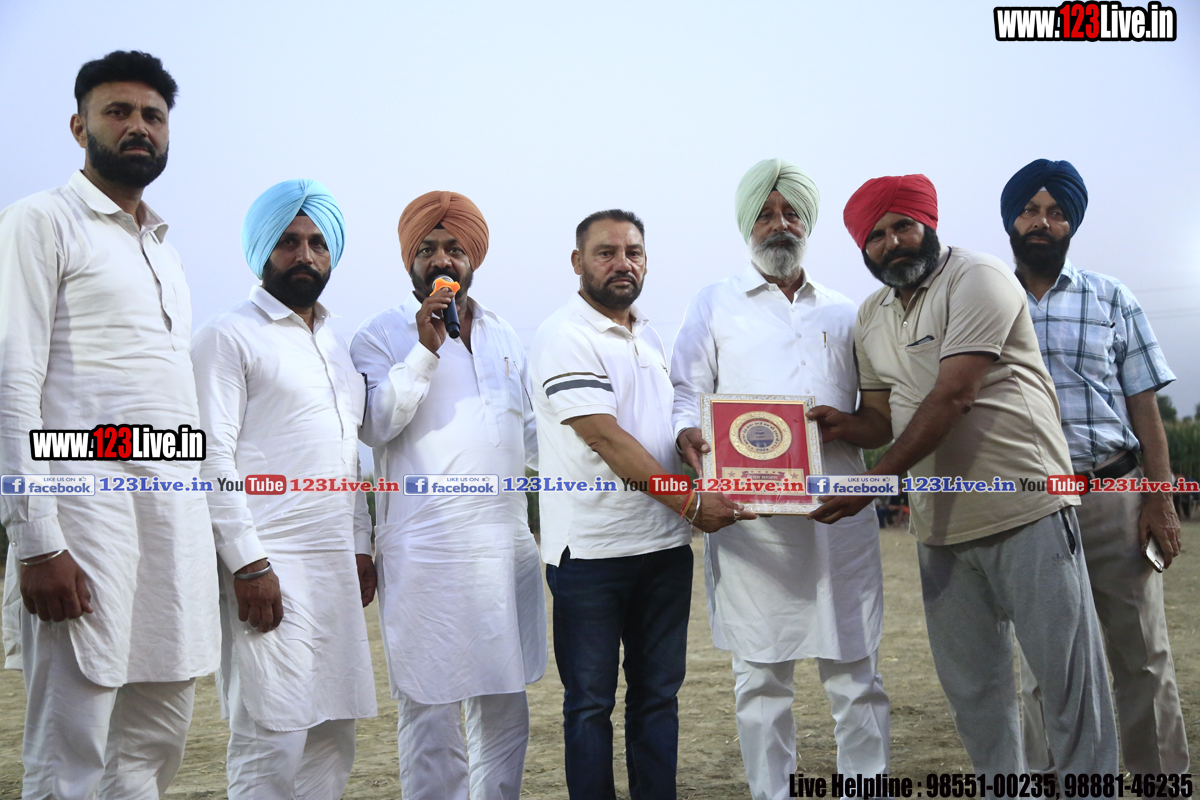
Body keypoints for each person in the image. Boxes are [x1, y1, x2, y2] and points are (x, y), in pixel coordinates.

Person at [807, 173, 1118, 774]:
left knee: (1068, 689)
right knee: (977, 695)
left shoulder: (978, 277)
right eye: (876, 236)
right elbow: (882, 418)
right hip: (940, 528)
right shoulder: (871, 315)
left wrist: (876, 482)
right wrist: (841, 426)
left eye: (903, 226)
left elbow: (955, 395)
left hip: (1026, 507)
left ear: (928, 223)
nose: (892, 243)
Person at [0, 50, 220, 798]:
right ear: (79, 126)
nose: (138, 127)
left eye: (153, 116)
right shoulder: (40, 221)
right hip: (82, 518)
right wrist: (37, 541)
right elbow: (13, 384)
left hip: (171, 523)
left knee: (155, 737)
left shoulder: (166, 252)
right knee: (71, 748)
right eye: (118, 112)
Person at [671, 158, 888, 799]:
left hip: (838, 513)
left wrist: (847, 426)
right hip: (753, 523)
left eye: (791, 212)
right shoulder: (714, 303)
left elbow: (876, 414)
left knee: (855, 673)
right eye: (765, 214)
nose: (779, 224)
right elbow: (686, 391)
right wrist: (688, 435)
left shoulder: (847, 311)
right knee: (762, 680)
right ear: (747, 225)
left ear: (807, 224)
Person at [531, 208, 748, 800]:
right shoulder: (564, 336)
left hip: (664, 549)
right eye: (606, 252)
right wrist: (691, 504)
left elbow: (663, 412)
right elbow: (604, 437)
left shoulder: (647, 334)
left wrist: (685, 435)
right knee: (590, 704)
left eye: (633, 252)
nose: (622, 263)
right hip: (592, 555)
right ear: (577, 262)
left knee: (657, 698)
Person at [350, 191, 547, 800]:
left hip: (505, 547)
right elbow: (375, 426)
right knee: (431, 709)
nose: (442, 260)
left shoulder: (504, 333)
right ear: (410, 261)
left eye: (455, 249)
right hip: (427, 553)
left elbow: (532, 437)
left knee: (505, 707)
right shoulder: (379, 335)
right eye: (429, 249)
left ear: (473, 258)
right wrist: (424, 350)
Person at [1001, 158, 1189, 776]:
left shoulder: (1111, 298)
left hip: (1114, 495)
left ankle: (1159, 782)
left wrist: (1159, 499)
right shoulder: (986, 300)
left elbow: (1144, 406)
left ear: (1072, 224)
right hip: (1031, 503)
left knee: (1142, 655)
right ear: (1011, 219)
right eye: (1030, 210)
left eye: (1057, 213)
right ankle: (1052, 783)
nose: (1042, 222)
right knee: (1043, 664)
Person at [192, 179, 377, 798]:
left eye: (318, 243)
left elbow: (347, 457)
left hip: (334, 568)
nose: (305, 255)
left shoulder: (335, 345)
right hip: (267, 563)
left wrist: (360, 546)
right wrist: (247, 562)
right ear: (262, 250)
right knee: (272, 736)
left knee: (332, 735)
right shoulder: (227, 335)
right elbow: (209, 456)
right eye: (289, 242)